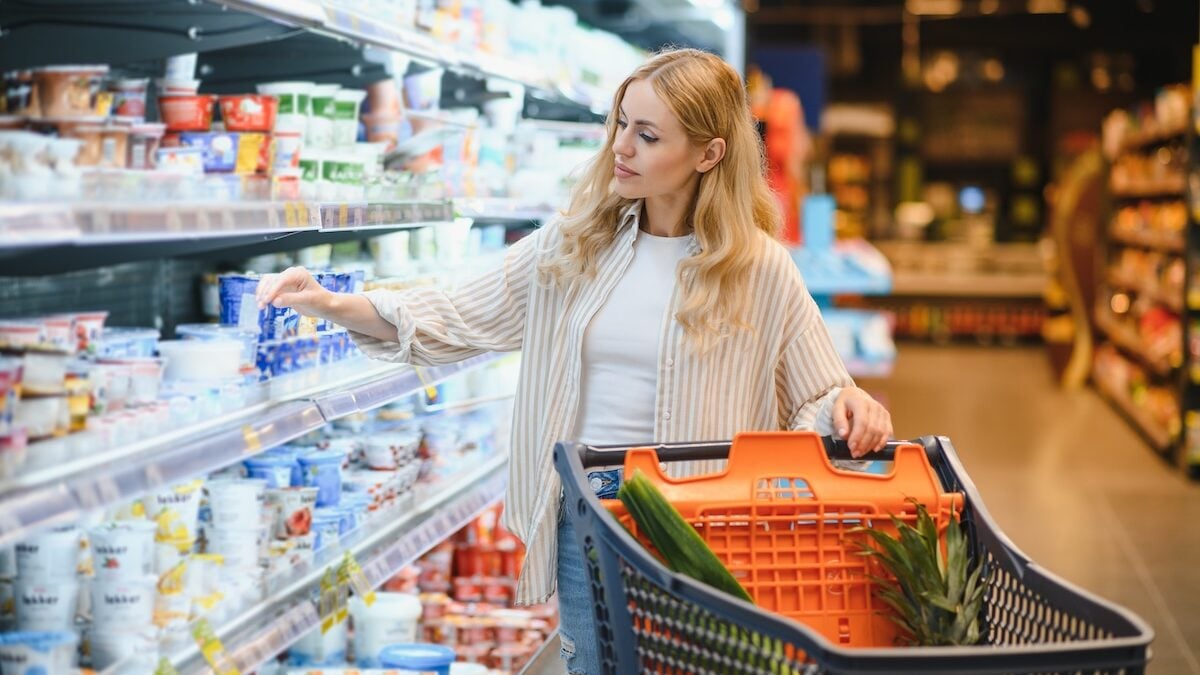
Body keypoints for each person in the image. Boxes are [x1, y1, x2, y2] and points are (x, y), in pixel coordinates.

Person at [256, 48, 892, 674]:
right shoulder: (576, 244)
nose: (621, 146)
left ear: (709, 154)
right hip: (588, 511)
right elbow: (455, 310)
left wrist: (850, 406)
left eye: (647, 135)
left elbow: (820, 392)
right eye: (620, 124)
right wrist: (335, 304)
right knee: (594, 664)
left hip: (701, 521)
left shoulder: (757, 268)